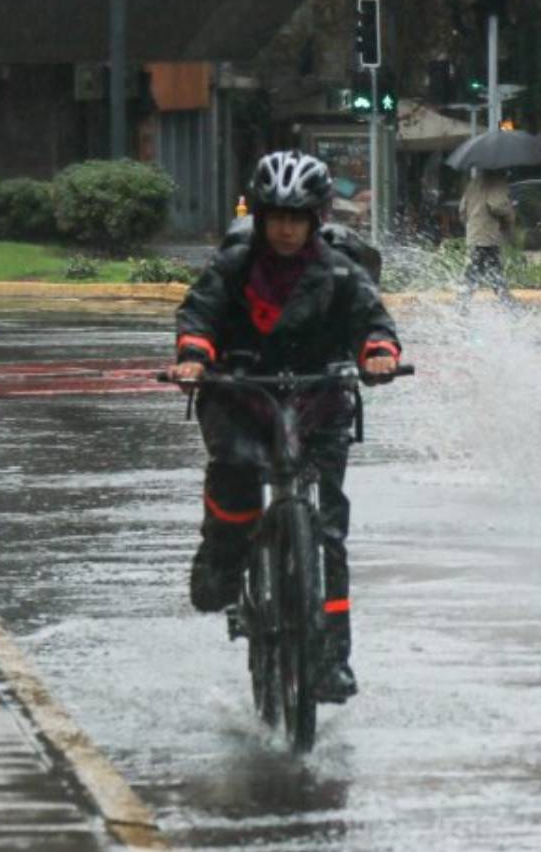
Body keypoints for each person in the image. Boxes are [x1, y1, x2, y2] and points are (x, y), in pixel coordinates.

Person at [170, 149, 401, 704]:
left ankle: (330, 660)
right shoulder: (233, 266)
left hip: (319, 399)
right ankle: (222, 560)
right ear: (261, 218)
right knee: (236, 479)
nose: (287, 230)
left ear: (316, 219)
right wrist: (195, 357)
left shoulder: (341, 270)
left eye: (297, 219)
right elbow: (199, 313)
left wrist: (378, 353)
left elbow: (373, 320)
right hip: (243, 395)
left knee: (327, 530)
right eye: (277, 218)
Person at [458, 166, 515, 302]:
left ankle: (462, 303)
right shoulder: (496, 182)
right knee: (489, 270)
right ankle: (509, 304)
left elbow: (462, 210)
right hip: (488, 235)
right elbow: (497, 205)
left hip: (475, 234)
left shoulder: (473, 183)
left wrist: (471, 225)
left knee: (478, 269)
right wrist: (510, 212)